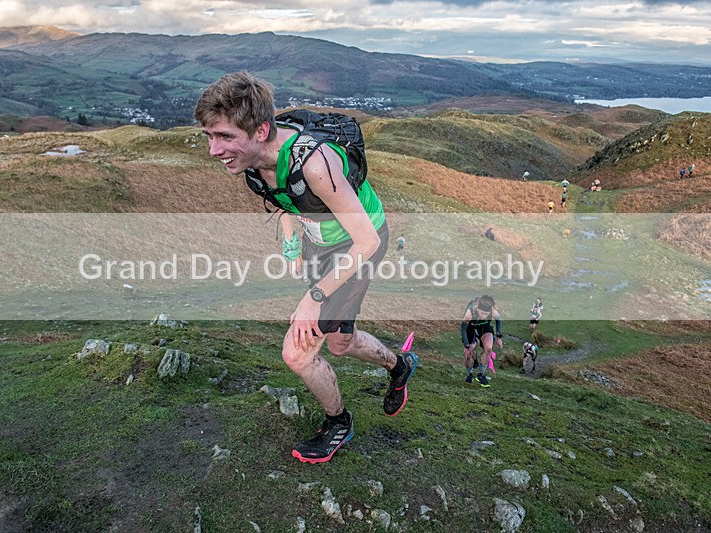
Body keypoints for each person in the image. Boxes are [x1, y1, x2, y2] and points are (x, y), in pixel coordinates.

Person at [194, 71, 418, 464]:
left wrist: (315, 298)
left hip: (360, 243)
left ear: (262, 130)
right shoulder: (253, 162)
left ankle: (339, 422)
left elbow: (366, 240)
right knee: (340, 342)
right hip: (321, 244)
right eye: (210, 136)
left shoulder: (315, 165)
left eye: (225, 137)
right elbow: (286, 199)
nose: (214, 150)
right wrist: (292, 240)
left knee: (297, 353)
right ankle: (399, 365)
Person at [461, 295, 503, 387]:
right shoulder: (470, 313)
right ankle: (470, 374)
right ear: (478, 309)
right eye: (482, 313)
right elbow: (463, 329)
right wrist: (466, 346)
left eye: (486, 314)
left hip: (484, 327)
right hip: (470, 328)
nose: (484, 316)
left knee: (488, 349)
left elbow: (498, 320)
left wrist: (499, 337)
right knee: (469, 353)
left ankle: (481, 375)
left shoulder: (493, 311)